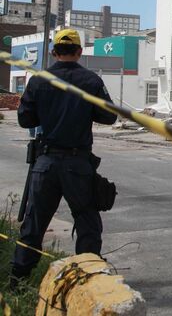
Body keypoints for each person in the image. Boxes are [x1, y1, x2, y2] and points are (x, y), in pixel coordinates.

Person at [11, 29, 117, 285]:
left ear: (53, 52)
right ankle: (89, 281)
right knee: (87, 222)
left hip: (45, 163)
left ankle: (17, 282)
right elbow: (109, 116)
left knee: (34, 225)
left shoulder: (39, 80)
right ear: (79, 52)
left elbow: (25, 119)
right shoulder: (91, 81)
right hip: (78, 164)